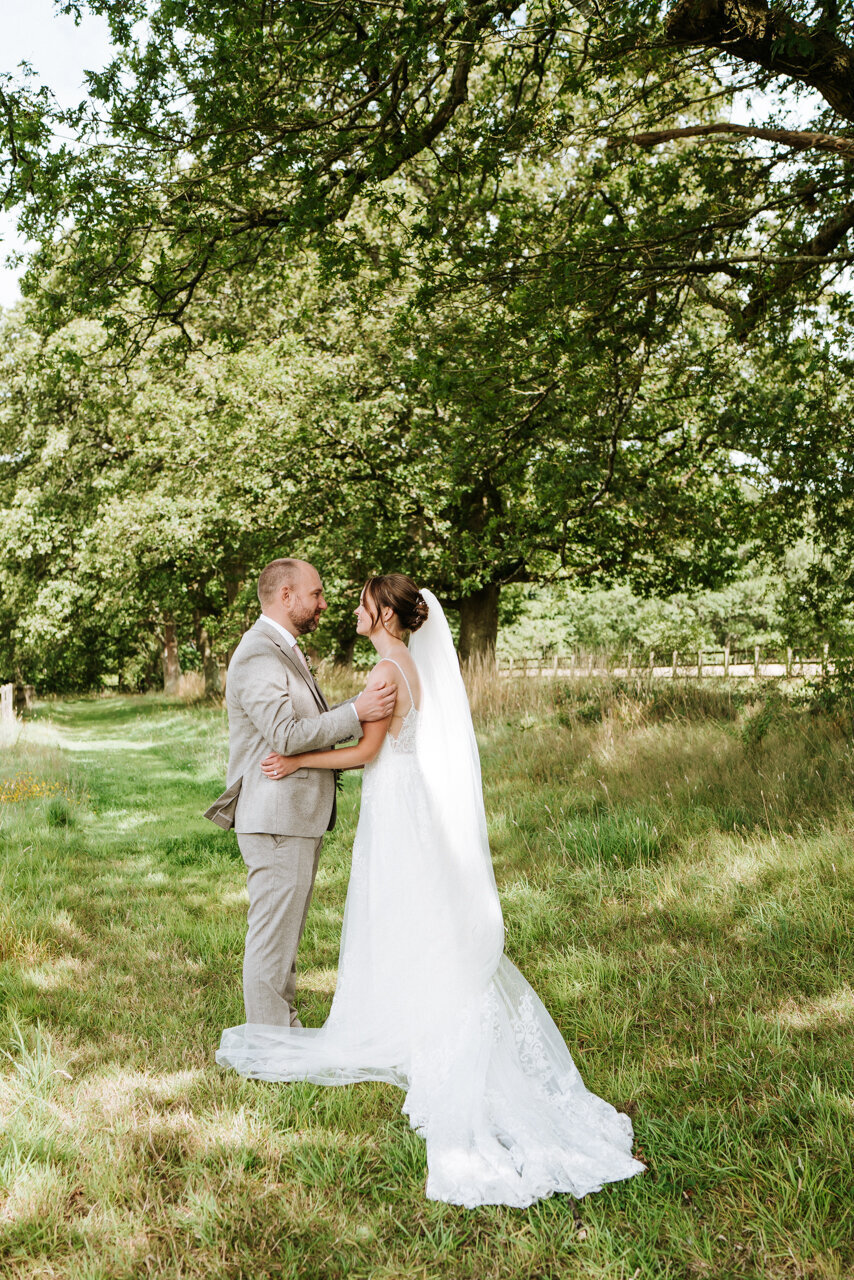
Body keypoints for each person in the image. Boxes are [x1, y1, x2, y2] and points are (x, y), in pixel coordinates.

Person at [217, 574, 645, 1208]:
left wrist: (302, 761)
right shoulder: (408, 665)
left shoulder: (384, 674)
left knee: (395, 917)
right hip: (404, 807)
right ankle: (374, 1017)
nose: (344, 609)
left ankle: (362, 1025)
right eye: (325, 595)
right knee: (412, 920)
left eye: (361, 603)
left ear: (386, 614)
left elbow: (365, 750)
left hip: (394, 811)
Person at [204, 557, 397, 1029]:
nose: (324, 604)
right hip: (274, 816)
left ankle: (281, 1030)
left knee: (284, 937)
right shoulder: (257, 653)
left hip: (292, 816)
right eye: (316, 594)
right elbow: (285, 734)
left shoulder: (280, 648)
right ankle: (268, 1045)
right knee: (272, 940)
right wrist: (358, 710)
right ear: (286, 595)